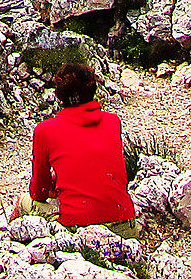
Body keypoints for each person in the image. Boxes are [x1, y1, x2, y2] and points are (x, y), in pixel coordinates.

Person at [23, 63, 138, 237]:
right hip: (124, 226)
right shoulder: (113, 122)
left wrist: (57, 187)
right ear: (93, 89)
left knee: (24, 202)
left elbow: (40, 191)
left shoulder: (45, 130)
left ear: (60, 95)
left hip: (79, 230)